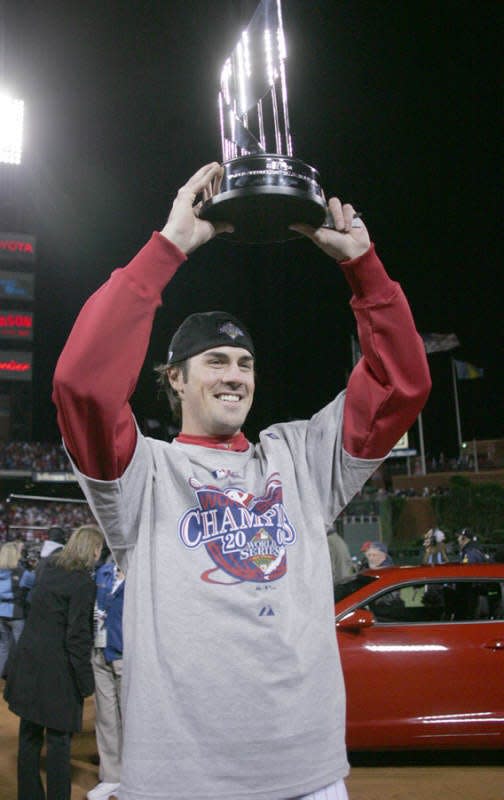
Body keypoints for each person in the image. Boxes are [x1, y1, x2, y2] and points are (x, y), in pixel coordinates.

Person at [52, 162, 431, 800]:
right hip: (182, 781)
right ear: (173, 378)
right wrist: (167, 249)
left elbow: (401, 385)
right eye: (216, 361)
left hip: (307, 774)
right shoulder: (142, 474)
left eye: (246, 362)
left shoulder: (298, 459)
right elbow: (82, 385)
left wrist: (364, 268)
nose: (236, 375)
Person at [4, 524, 103, 800]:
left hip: (29, 664)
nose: (99, 554)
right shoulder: (83, 583)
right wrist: (86, 682)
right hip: (57, 674)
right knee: (59, 742)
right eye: (98, 549)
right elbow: (77, 637)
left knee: (29, 735)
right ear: (91, 550)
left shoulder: (48, 568)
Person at [87, 560, 125, 800]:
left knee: (133, 718)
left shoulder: (142, 571)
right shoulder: (103, 570)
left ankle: (135, 776)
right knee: (106, 718)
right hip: (100, 651)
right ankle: (111, 777)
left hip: (128, 655)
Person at [0, 542, 32, 678]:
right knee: (21, 647)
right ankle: (20, 678)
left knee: (3, 647)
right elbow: (35, 585)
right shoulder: (23, 573)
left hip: (0, 613)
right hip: (17, 613)